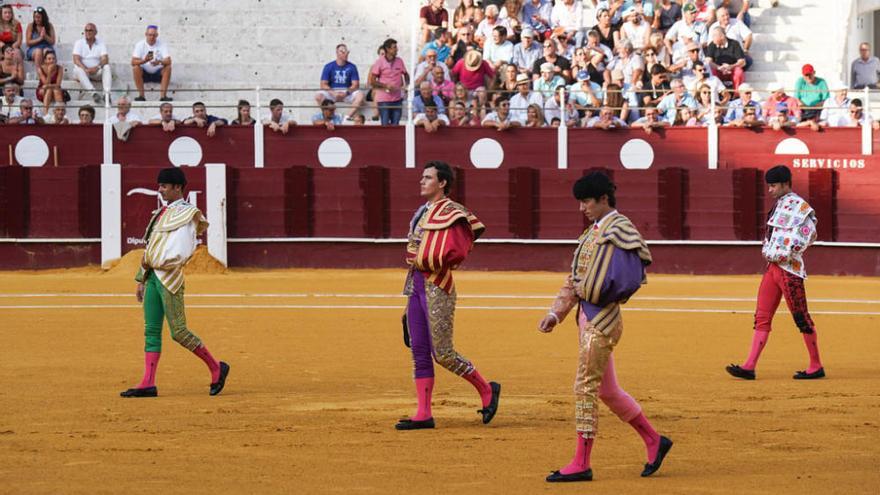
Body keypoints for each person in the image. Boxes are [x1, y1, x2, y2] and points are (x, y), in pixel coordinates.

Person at [540, 172, 671, 483]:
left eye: (586, 201)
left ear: (603, 199)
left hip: (601, 320)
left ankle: (581, 462)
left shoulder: (619, 229)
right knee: (608, 391)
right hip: (586, 317)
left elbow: (619, 281)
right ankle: (654, 440)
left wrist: (590, 292)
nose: (581, 208)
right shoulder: (593, 233)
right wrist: (556, 314)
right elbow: (575, 280)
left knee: (585, 386)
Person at [397, 161, 500, 430]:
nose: (422, 181)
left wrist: (427, 258)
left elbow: (455, 251)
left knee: (442, 353)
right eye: (422, 177)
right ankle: (423, 413)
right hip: (416, 284)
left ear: (442, 183)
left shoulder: (453, 212)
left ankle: (487, 388)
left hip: (437, 284)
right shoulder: (422, 212)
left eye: (428, 177)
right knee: (418, 349)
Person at [121, 167, 230, 398]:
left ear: (177, 188)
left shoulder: (188, 213)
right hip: (153, 278)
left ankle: (216, 367)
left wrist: (158, 264)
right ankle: (148, 382)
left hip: (169, 277)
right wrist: (142, 277)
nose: (160, 190)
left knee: (179, 332)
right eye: (160, 186)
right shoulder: (161, 213)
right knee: (151, 331)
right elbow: (150, 247)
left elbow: (182, 250)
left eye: (164, 186)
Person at [726, 165, 825, 381]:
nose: (770, 190)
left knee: (801, 318)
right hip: (773, 269)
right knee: (762, 316)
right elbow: (770, 234)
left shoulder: (801, 206)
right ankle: (749, 366)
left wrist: (786, 253)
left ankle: (816, 365)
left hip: (790, 270)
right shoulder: (778, 205)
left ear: (785, 184)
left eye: (773, 185)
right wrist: (770, 252)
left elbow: (809, 234)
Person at [315, 43, 364, 121]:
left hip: (347, 91)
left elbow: (355, 85)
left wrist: (346, 93)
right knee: (318, 96)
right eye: (342, 51)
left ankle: (346, 117)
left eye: (346, 52)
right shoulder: (329, 66)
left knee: (360, 95)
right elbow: (323, 84)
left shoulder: (352, 67)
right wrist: (333, 93)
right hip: (333, 91)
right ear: (337, 52)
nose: (346, 54)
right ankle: (332, 115)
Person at [369, 38, 409, 126]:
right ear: (388, 49)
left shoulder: (399, 60)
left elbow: (406, 74)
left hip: (397, 99)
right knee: (385, 125)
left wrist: (407, 85)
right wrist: (385, 86)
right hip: (384, 99)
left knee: (396, 125)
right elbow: (372, 81)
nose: (397, 49)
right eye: (394, 47)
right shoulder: (379, 62)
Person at [131, 25, 172, 102]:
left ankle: (163, 96)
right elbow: (133, 62)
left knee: (168, 67)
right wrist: (144, 60)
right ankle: (141, 96)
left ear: (157, 35)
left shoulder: (162, 44)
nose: (152, 37)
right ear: (146, 34)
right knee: (136, 68)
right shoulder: (140, 45)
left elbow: (169, 61)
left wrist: (159, 62)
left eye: (154, 35)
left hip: (158, 73)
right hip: (144, 73)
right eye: (150, 35)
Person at [72, 23, 112, 104]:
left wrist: (97, 67)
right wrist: (86, 69)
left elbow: (105, 59)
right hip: (84, 71)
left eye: (90, 30)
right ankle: (93, 93)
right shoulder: (79, 43)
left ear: (95, 32)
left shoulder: (101, 43)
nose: (88, 32)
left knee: (106, 67)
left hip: (96, 71)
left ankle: (106, 94)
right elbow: (76, 59)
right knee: (78, 69)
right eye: (86, 30)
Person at [35, 49, 63, 115]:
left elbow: (58, 84)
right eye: (49, 59)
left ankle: (61, 113)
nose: (51, 60)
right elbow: (45, 84)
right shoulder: (40, 69)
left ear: (56, 60)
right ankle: (46, 114)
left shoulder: (59, 68)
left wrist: (48, 86)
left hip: (55, 88)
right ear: (45, 60)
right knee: (49, 90)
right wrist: (49, 73)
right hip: (43, 90)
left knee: (56, 90)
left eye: (53, 58)